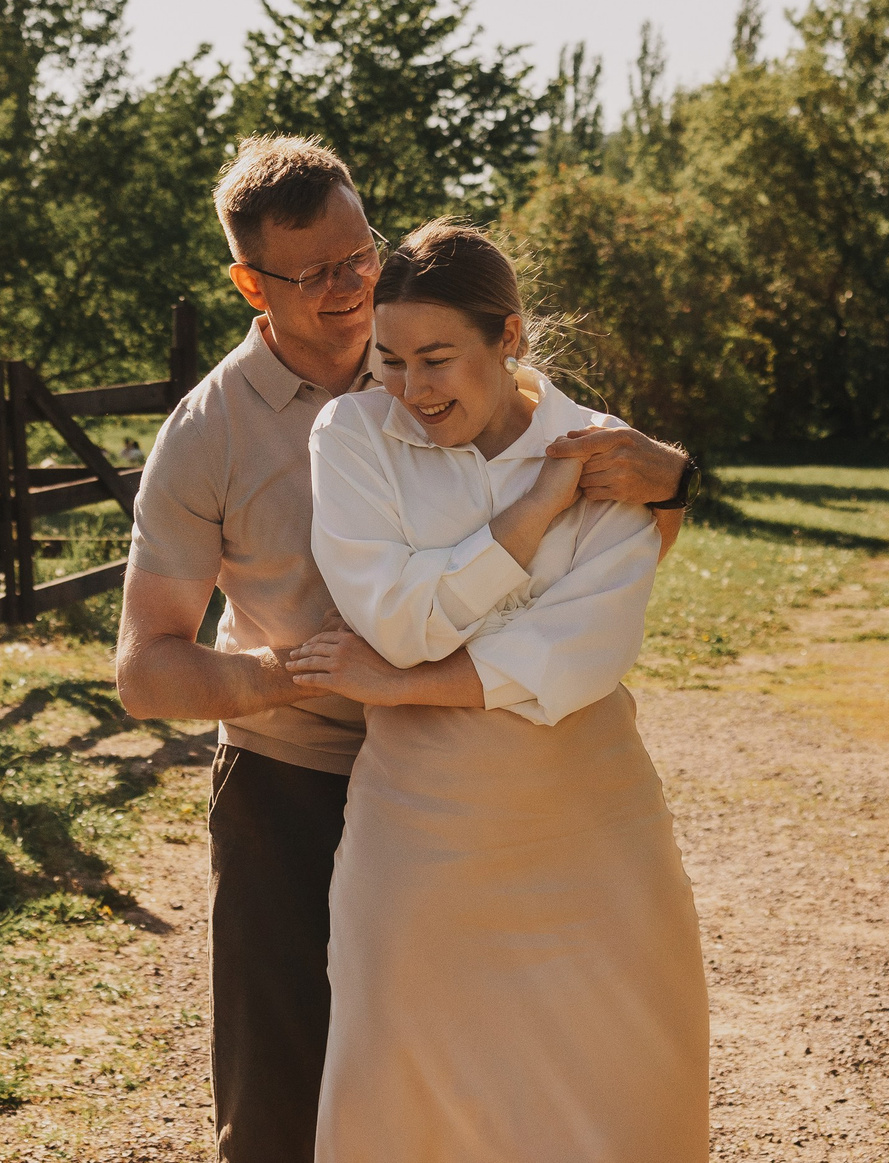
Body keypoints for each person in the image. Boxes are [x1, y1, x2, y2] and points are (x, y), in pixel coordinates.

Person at [114, 139, 693, 1163]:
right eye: (316, 275)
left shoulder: (434, 342)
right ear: (250, 284)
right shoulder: (209, 433)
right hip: (291, 781)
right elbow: (146, 665)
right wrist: (294, 675)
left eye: (358, 255)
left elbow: (603, 550)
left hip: (471, 782)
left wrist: (677, 482)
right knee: (285, 1101)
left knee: (475, 1089)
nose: (350, 286)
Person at [287, 220, 708, 1162]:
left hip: (593, 834)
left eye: (438, 358)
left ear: (508, 337)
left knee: (621, 1095)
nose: (412, 389)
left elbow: (582, 650)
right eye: (390, 359)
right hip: (419, 839)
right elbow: (394, 618)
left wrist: (403, 683)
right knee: (408, 1098)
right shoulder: (353, 434)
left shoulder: (607, 451)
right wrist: (534, 511)